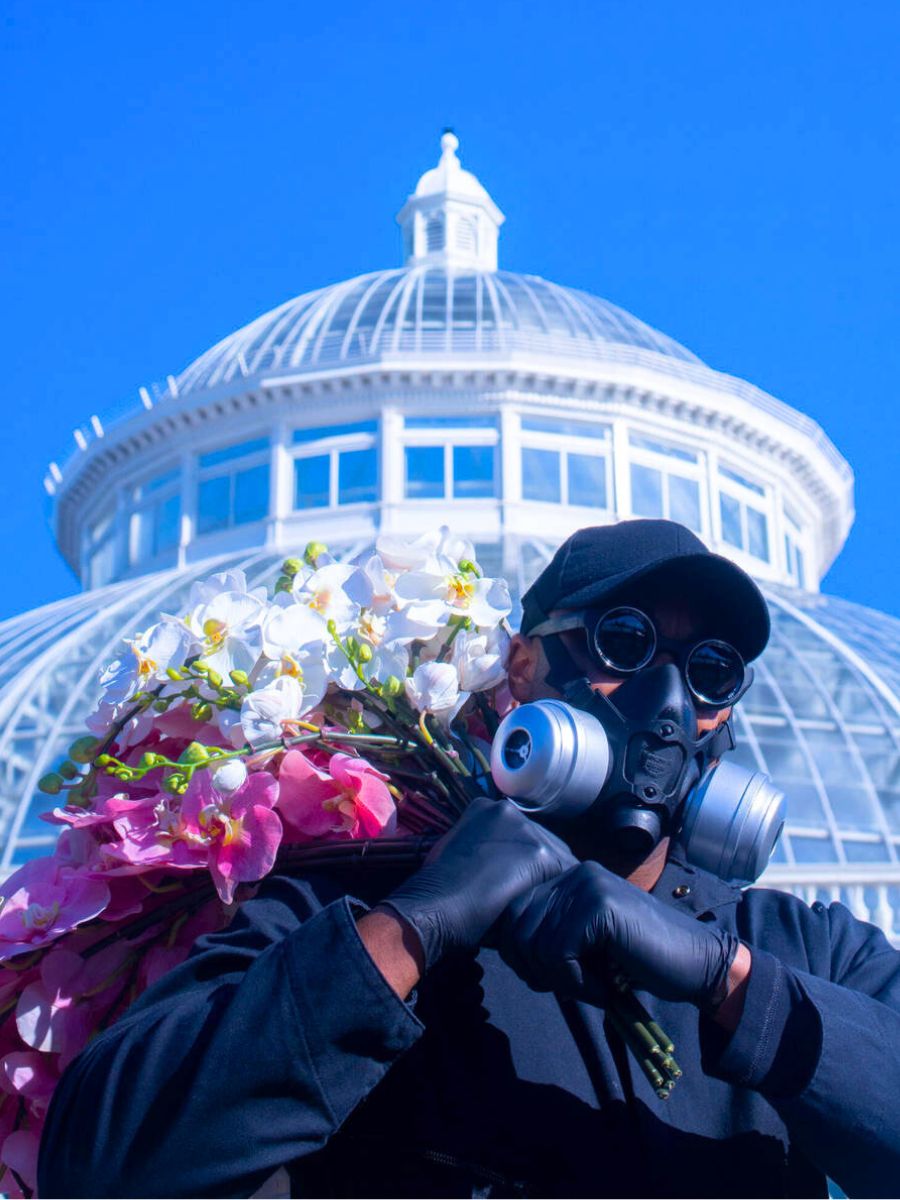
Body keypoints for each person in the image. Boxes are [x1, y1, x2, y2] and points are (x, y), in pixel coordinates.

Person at [38, 520, 900, 1199]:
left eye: (710, 672)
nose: (669, 703)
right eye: (624, 645)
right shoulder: (353, 899)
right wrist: (413, 926)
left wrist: (730, 980)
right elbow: (106, 1164)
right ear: (522, 669)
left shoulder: (802, 948)